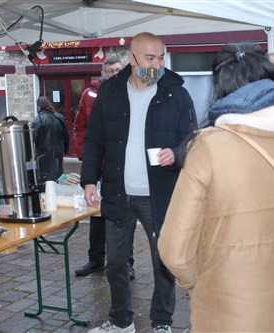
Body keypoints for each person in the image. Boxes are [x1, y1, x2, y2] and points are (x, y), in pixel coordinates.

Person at [157, 43, 274, 332]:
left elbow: (174, 249)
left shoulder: (208, 146)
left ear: (220, 88)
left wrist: (196, 280)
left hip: (227, 308)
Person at [80, 32, 197, 333]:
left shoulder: (175, 93)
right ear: (131, 59)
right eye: (150, 58)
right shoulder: (111, 92)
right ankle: (121, 322)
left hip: (158, 194)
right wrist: (89, 180)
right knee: (115, 263)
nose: (157, 64)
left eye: (161, 57)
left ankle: (162, 322)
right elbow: (94, 139)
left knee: (163, 262)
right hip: (119, 193)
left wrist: (177, 152)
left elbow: (192, 139)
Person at [73, 56, 136, 280]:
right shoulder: (90, 94)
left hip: (123, 165)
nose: (114, 73)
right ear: (103, 73)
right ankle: (96, 259)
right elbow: (80, 127)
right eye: (109, 70)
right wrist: (85, 155)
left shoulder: (132, 92)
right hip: (98, 165)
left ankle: (126, 263)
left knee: (124, 214)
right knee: (97, 214)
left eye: (117, 69)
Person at [32, 96, 69, 183]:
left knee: (46, 178)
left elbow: (34, 138)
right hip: (58, 151)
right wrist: (65, 150)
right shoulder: (59, 117)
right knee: (58, 174)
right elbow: (66, 136)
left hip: (44, 152)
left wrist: (33, 153)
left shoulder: (38, 120)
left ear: (39, 107)